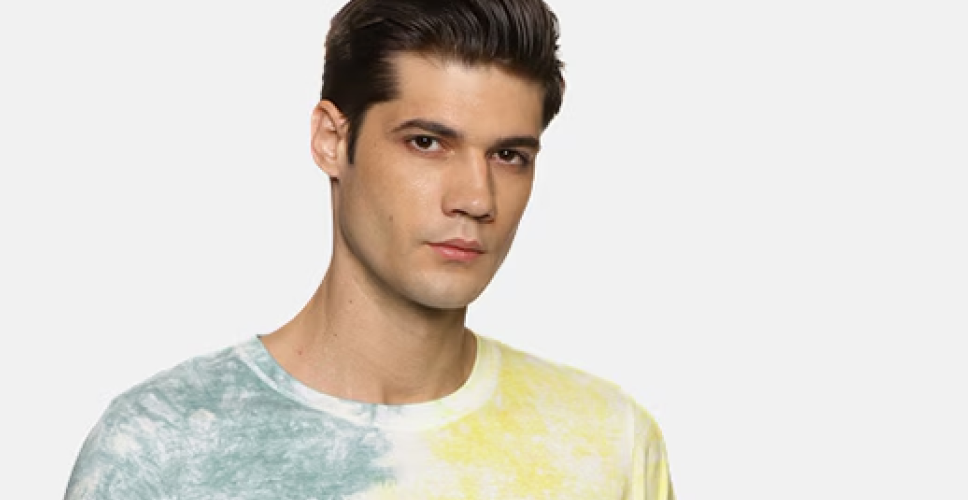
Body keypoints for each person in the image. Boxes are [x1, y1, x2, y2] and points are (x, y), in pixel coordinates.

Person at [63, 0, 672, 497]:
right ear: (332, 140)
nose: (476, 198)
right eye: (427, 142)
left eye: (508, 155)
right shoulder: (162, 447)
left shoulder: (607, 443)